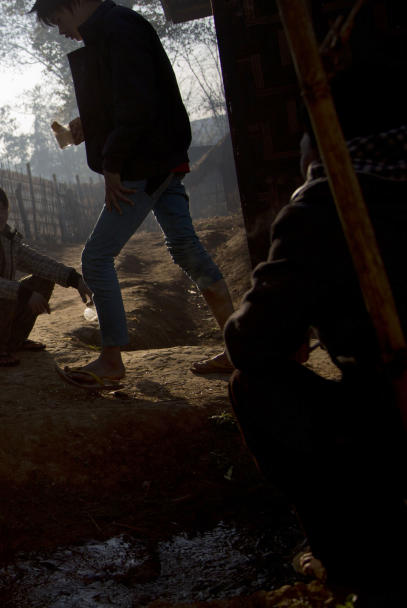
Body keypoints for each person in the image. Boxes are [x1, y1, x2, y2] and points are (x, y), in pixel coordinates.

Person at [224, 16, 407, 597]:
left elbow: (251, 342)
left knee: (254, 388)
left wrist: (289, 326)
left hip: (396, 412)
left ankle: (360, 564)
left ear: (321, 137)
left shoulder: (330, 205)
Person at [32, 0, 236, 384]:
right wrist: (85, 126)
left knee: (96, 257)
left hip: (143, 163)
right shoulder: (118, 27)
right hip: (160, 158)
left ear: (73, 4)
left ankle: (111, 361)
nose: (59, 30)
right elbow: (123, 102)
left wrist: (112, 165)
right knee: (186, 248)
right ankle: (241, 347)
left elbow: (137, 107)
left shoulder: (119, 29)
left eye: (57, 18)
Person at [0, 181, 92, 367]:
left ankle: (14, 341)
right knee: (0, 292)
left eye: (2, 208)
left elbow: (38, 262)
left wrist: (75, 279)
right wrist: (25, 293)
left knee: (43, 280)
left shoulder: (6, 239)